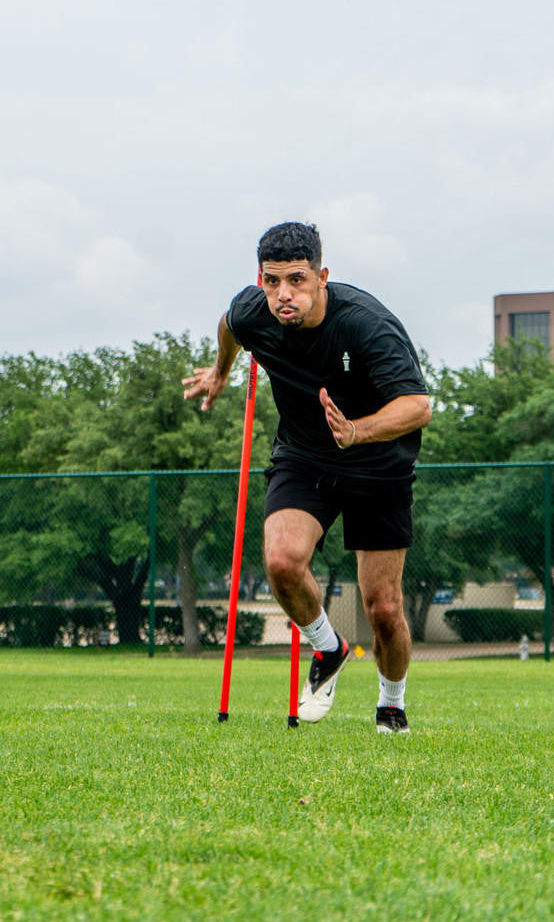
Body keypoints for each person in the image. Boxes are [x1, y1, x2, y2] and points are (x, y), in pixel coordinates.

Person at [181, 221, 431, 734]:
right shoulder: (256, 310)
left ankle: (391, 704)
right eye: (272, 281)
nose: (283, 294)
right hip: (304, 456)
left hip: (377, 462)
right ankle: (329, 648)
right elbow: (230, 323)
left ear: (322, 277)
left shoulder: (365, 323)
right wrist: (221, 370)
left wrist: (358, 431)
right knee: (280, 561)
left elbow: (417, 406)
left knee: (383, 608)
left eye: (296, 279)